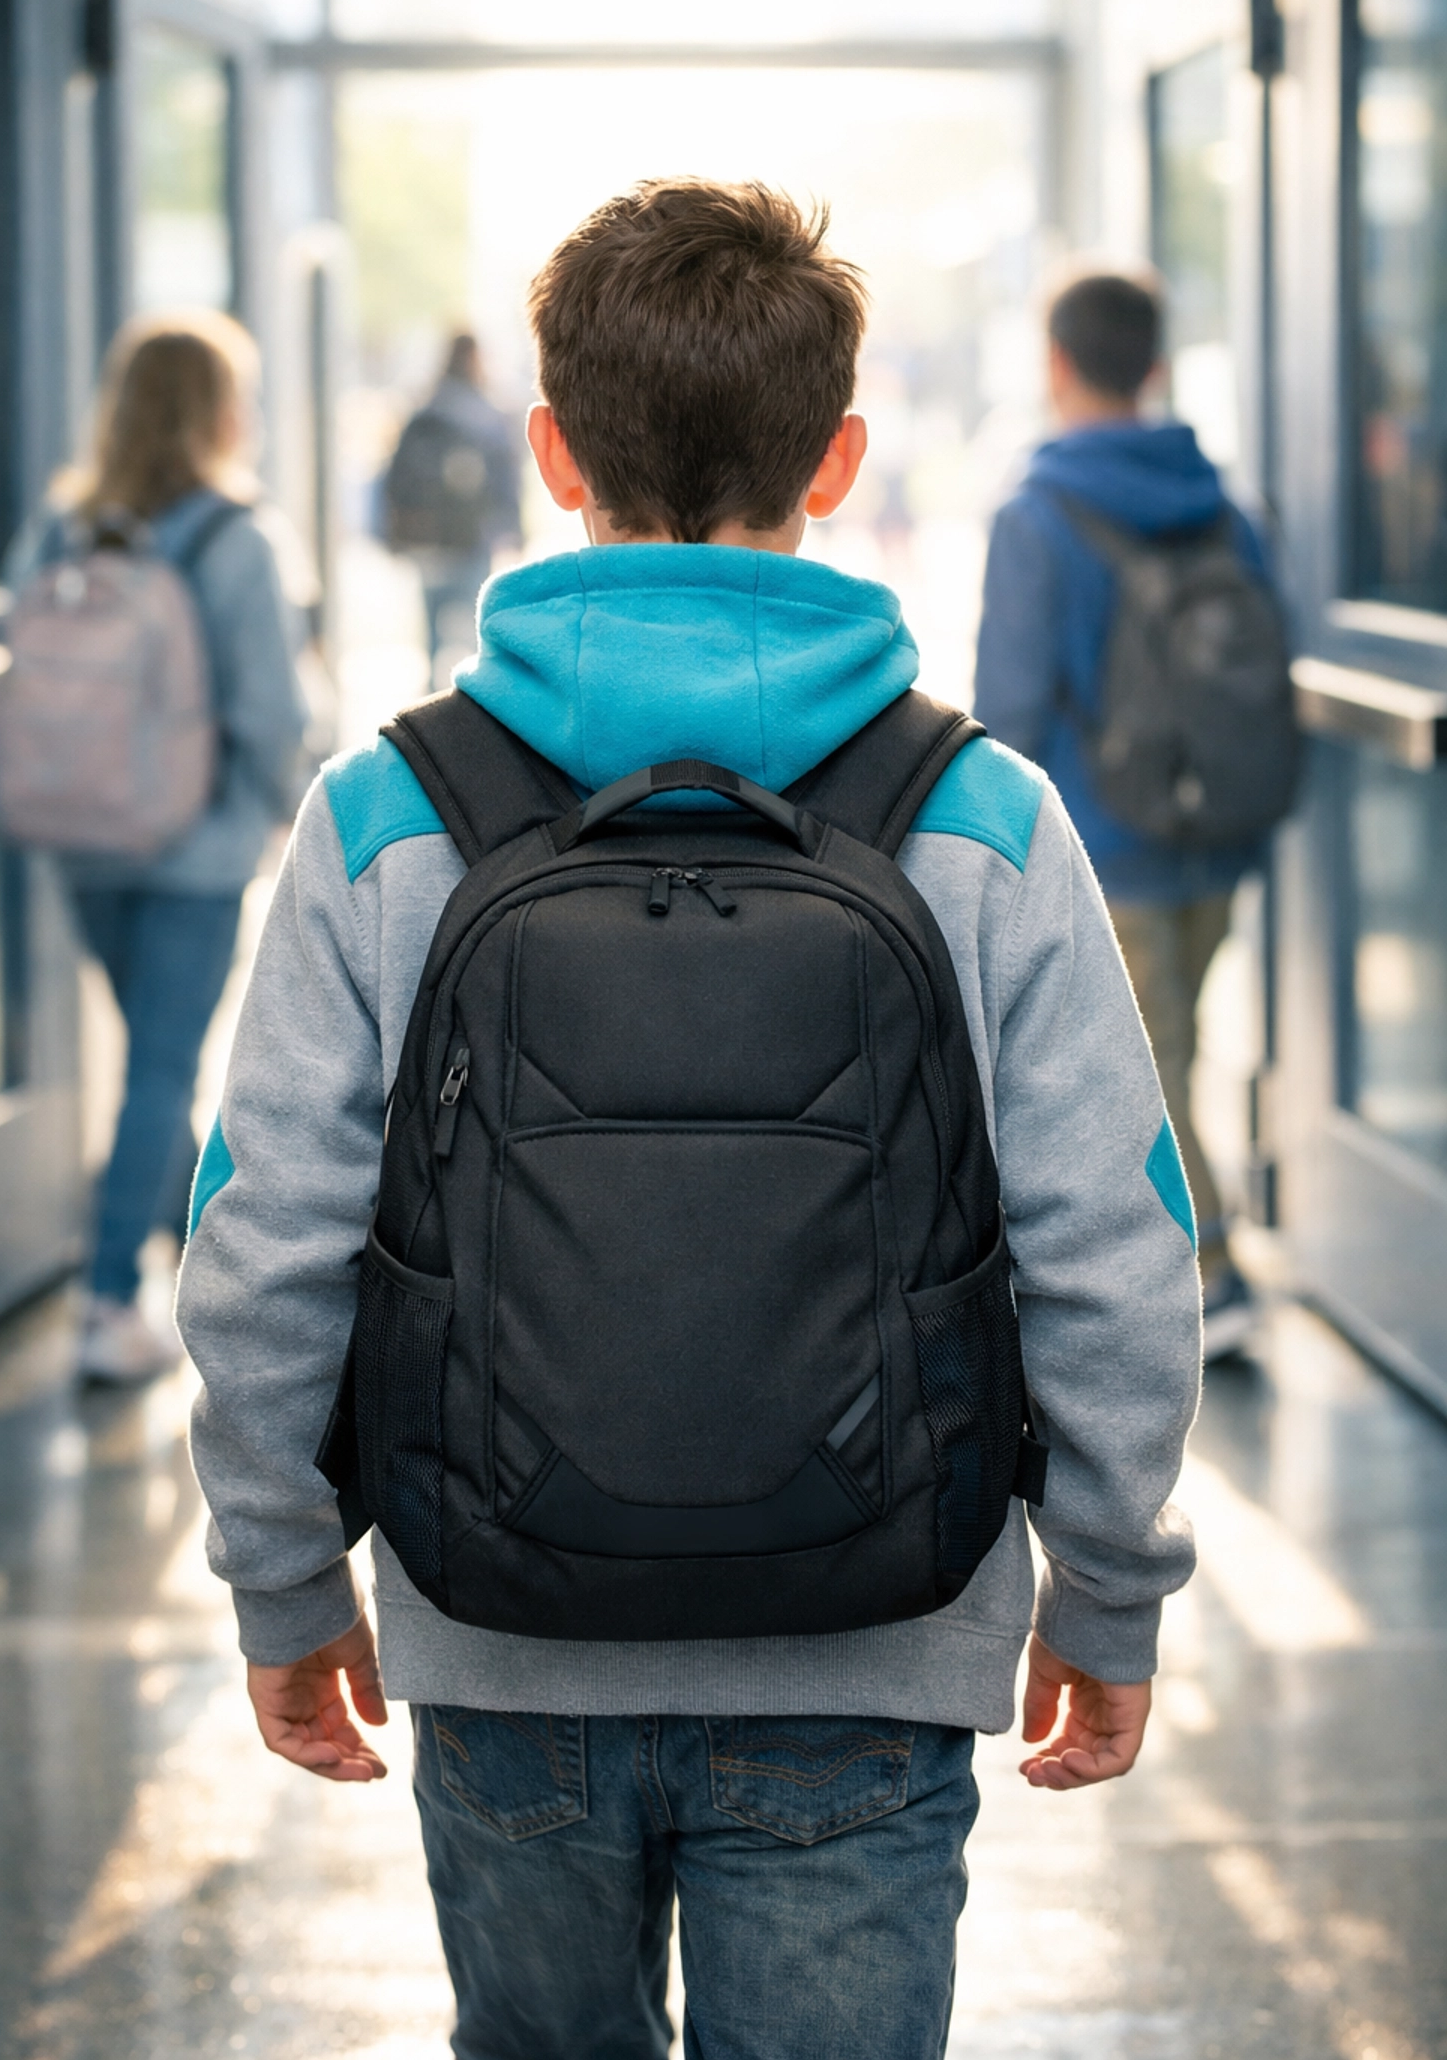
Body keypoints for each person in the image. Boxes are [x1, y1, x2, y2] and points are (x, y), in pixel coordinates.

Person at [178, 185, 1200, 2060]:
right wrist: (1112, 1585)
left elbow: (264, 1232)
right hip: (874, 1641)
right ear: (839, 456)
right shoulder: (978, 815)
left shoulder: (387, 813)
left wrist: (282, 1564)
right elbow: (1112, 1240)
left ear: (553, 453)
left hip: (502, 1633)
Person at [973, 269, 1276, 1360]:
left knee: (1151, 1076)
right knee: (1181, 1048)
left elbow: (1005, 705)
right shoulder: (1223, 502)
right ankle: (1209, 1259)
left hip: (1111, 844)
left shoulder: (1036, 513)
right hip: (1218, 834)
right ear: (1153, 367)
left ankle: (1216, 1272)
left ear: (1057, 366)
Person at [8, 312, 308, 1385]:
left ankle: (187, 1250)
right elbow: (273, 712)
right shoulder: (237, 538)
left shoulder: (62, 529)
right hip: (193, 844)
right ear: (219, 410)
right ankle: (102, 1306)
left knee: (151, 1060)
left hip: (78, 835)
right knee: (159, 1068)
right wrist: (274, 809)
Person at [382, 332, 523, 691]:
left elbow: (393, 477)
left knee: (432, 636)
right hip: (471, 539)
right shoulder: (487, 414)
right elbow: (506, 478)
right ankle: (475, 709)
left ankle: (428, 708)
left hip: (427, 541)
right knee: (478, 633)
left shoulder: (425, 409)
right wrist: (514, 529)